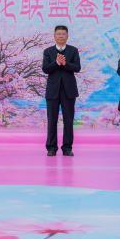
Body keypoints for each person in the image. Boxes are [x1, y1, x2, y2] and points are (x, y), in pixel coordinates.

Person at [42, 25, 81, 157]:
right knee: (52, 120)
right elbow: (45, 69)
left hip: (69, 90)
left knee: (68, 120)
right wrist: (57, 63)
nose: (61, 36)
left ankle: (67, 148)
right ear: (54, 36)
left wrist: (65, 64)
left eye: (63, 34)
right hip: (52, 90)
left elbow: (77, 68)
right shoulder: (48, 51)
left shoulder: (73, 50)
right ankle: (51, 148)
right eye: (58, 34)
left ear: (67, 36)